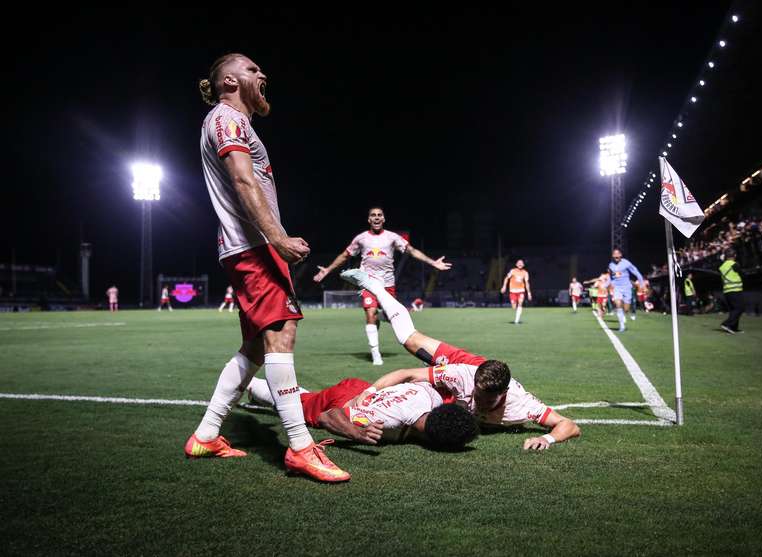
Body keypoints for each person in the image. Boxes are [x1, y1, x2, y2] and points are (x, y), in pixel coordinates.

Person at [187, 53, 348, 482]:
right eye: (253, 70)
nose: (263, 75)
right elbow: (242, 180)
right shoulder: (226, 119)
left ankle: (205, 434)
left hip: (247, 246)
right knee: (281, 334)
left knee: (257, 347)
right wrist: (275, 237)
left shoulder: (235, 123)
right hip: (253, 247)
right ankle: (299, 447)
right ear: (229, 81)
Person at [340, 268, 581, 450]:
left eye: (486, 399)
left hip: (475, 374)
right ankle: (375, 286)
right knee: (410, 339)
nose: (480, 401)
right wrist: (370, 391)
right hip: (466, 365)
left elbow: (569, 425)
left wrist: (546, 438)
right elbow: (407, 373)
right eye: (478, 395)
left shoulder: (523, 405)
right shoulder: (465, 377)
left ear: (503, 393)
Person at [313, 207, 452, 365]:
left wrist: (433, 262)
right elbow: (345, 255)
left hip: (388, 284)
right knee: (370, 312)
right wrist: (328, 270)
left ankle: (384, 319)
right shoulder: (361, 238)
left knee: (393, 319)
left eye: (379, 215)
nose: (376, 217)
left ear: (384, 219)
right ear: (369, 220)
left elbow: (411, 251)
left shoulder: (392, 237)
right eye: (373, 215)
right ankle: (375, 355)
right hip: (368, 282)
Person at [245, 375, 478, 450]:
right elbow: (329, 416)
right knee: (295, 404)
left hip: (363, 388)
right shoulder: (385, 422)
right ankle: (251, 384)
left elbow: (413, 377)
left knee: (305, 396)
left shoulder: (432, 396)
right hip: (343, 400)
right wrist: (358, 434)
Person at [608, 248, 644, 332]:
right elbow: (610, 277)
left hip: (627, 288)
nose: (616, 255)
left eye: (618, 254)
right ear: (613, 256)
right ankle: (622, 326)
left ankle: (624, 314)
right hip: (617, 288)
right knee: (618, 304)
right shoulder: (611, 265)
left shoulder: (626, 263)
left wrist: (641, 283)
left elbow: (636, 272)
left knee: (626, 309)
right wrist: (607, 285)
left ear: (620, 255)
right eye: (614, 254)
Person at [719, 249, 744, 334]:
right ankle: (726, 324)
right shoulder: (734, 264)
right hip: (735, 290)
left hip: (727, 291)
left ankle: (733, 328)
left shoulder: (722, 266)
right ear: (734, 255)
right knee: (739, 308)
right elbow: (743, 274)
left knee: (733, 310)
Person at [500, 259, 532, 324]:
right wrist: (504, 286)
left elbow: (527, 283)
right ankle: (516, 315)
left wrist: (529, 293)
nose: (520, 264)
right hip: (512, 291)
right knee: (514, 307)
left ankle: (516, 321)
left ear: (523, 265)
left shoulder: (525, 273)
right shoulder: (512, 271)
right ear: (516, 264)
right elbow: (506, 278)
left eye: (521, 263)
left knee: (520, 303)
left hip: (521, 291)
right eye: (519, 263)